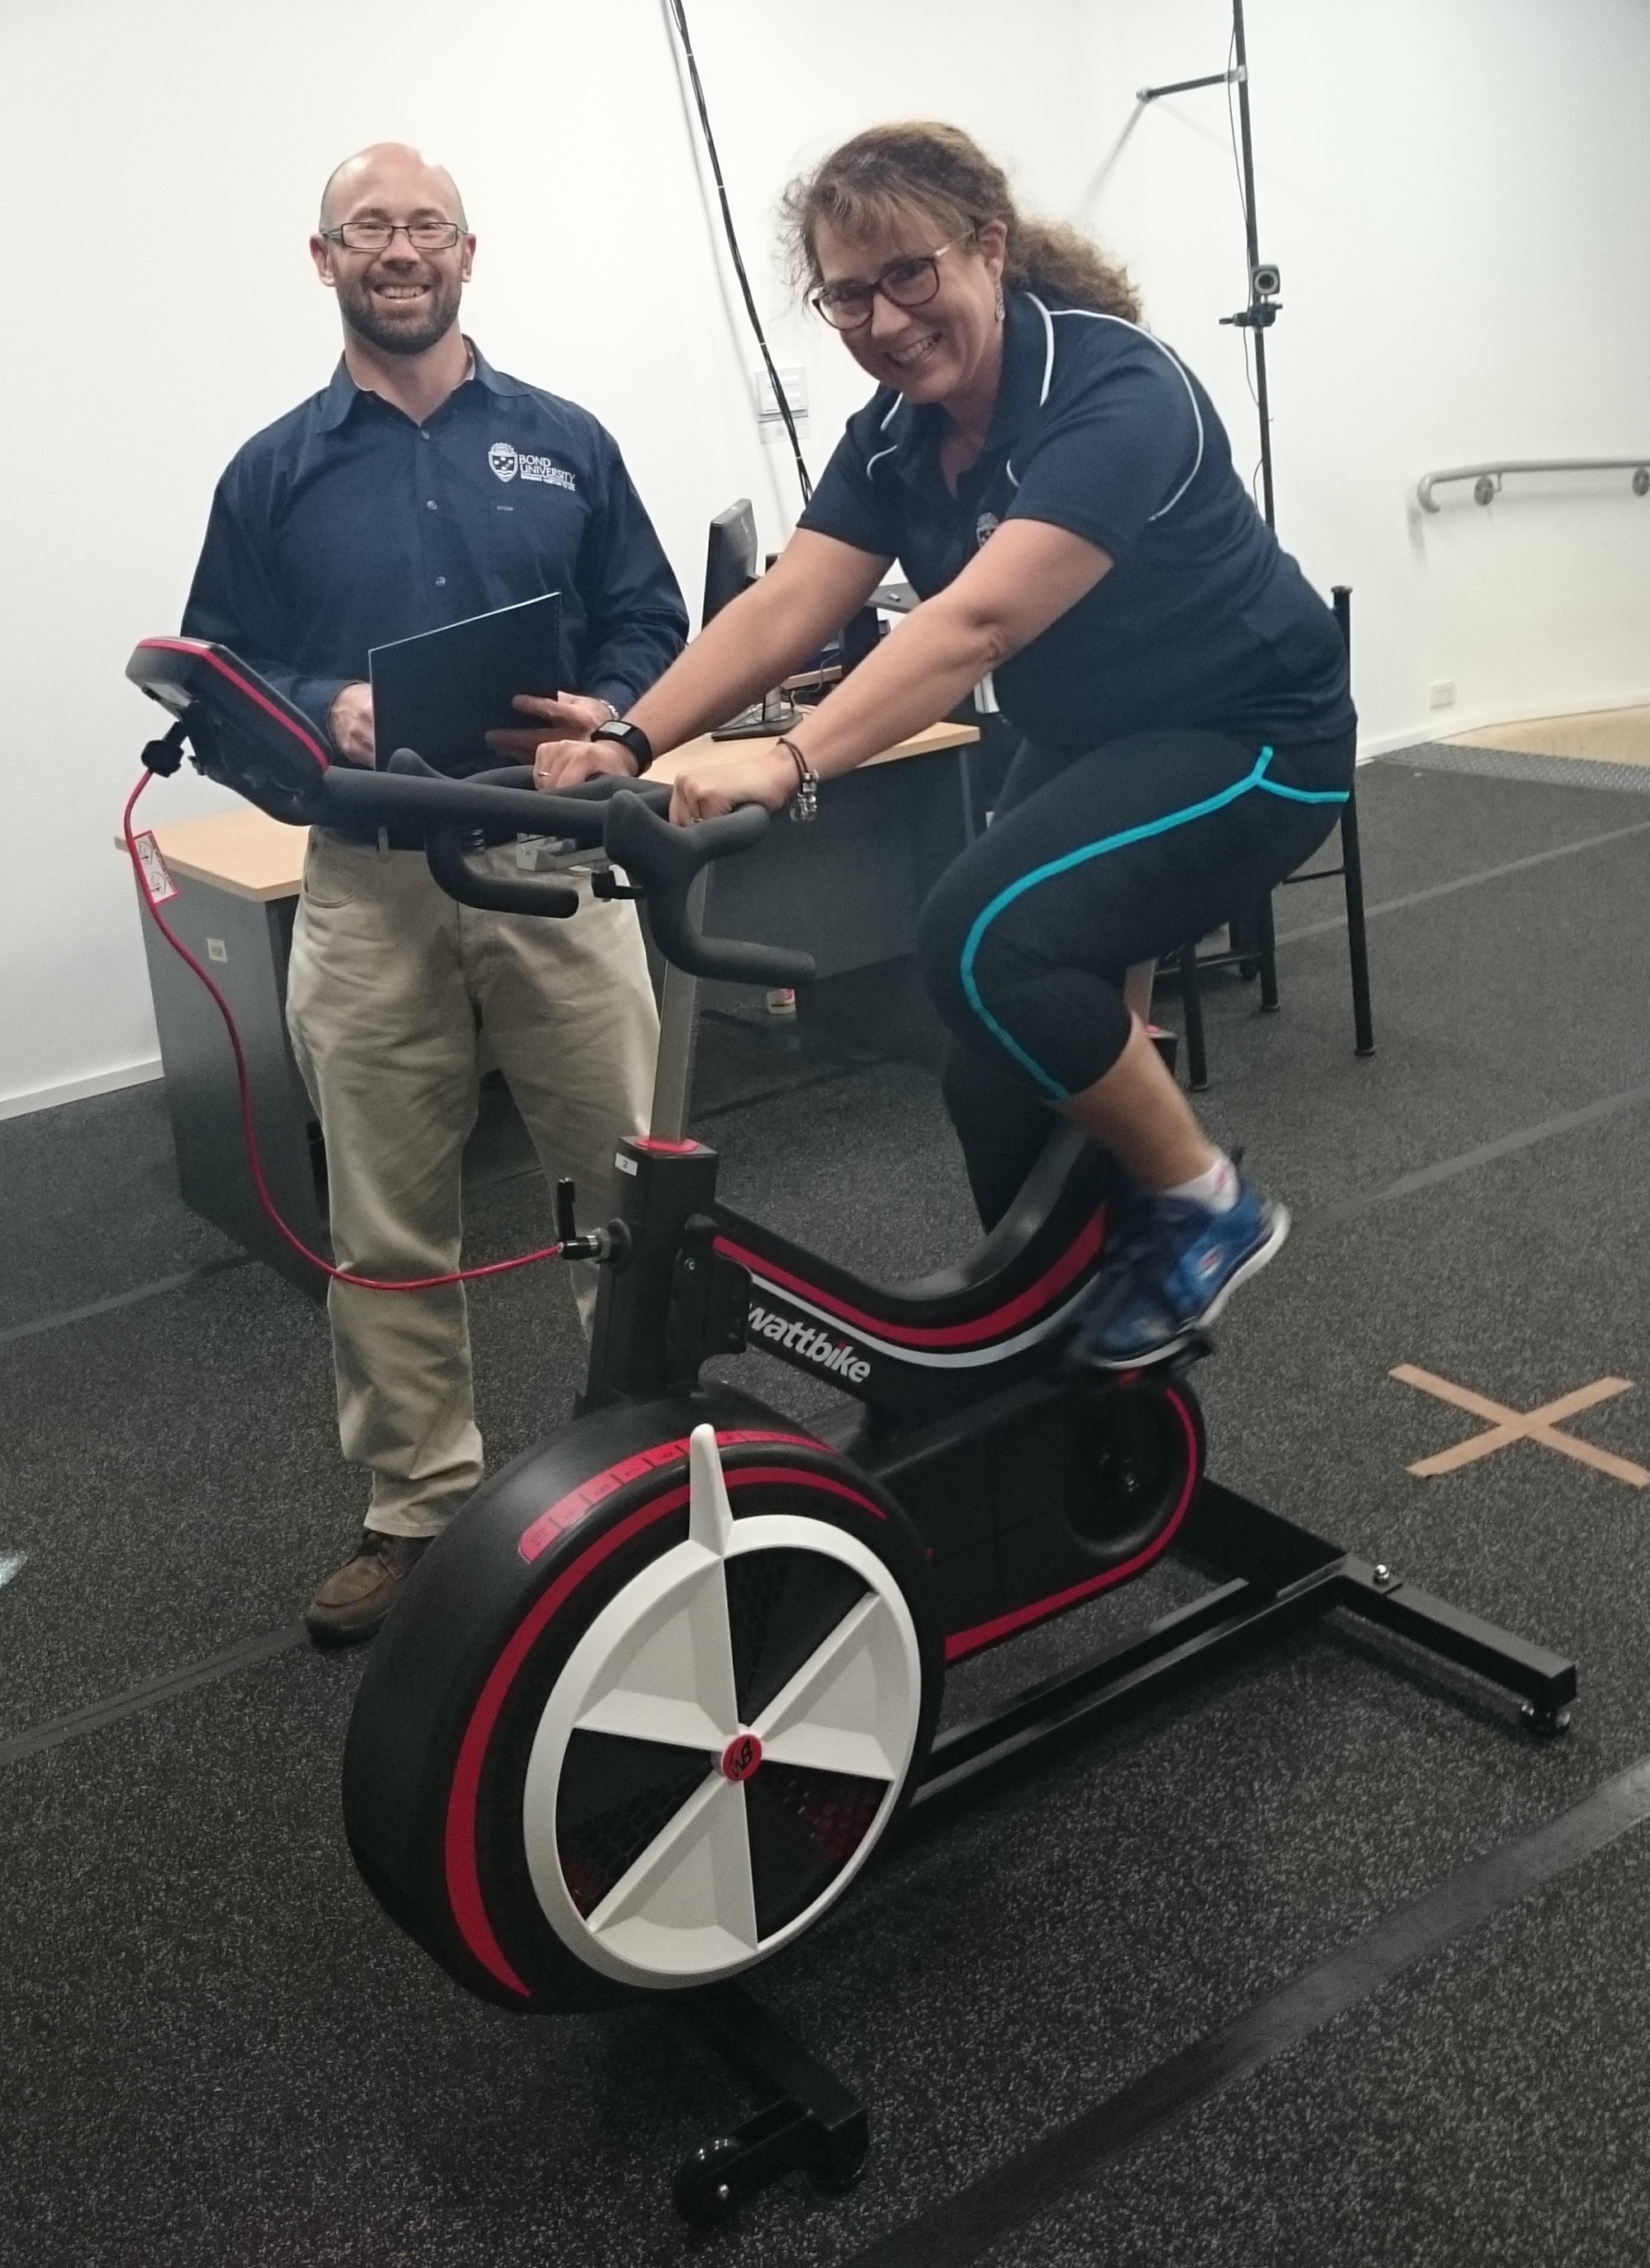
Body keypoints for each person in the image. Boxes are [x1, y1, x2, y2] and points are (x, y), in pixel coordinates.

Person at [530, 121, 1356, 1370]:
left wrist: (792, 757)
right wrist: (631, 734)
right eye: (846, 295)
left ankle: (1202, 1203)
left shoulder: (1115, 389)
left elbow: (978, 621)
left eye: (909, 274)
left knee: (979, 937)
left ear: (987, 248)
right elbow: (784, 603)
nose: (884, 319)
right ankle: (1065, 1352)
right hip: (1093, 737)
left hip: (1252, 739)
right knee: (992, 1068)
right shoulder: (891, 433)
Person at [183, 143, 687, 1644]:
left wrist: (601, 723)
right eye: (367, 230)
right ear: (322, 259)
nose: (398, 251)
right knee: (388, 1221)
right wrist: (319, 705)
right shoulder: (271, 472)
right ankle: (414, 1511)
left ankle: (656, 1470)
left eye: (423, 228)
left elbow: (653, 619)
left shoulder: (567, 441)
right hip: (369, 884)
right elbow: (221, 680)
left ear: (469, 252)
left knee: (630, 1185)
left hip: (554, 865)